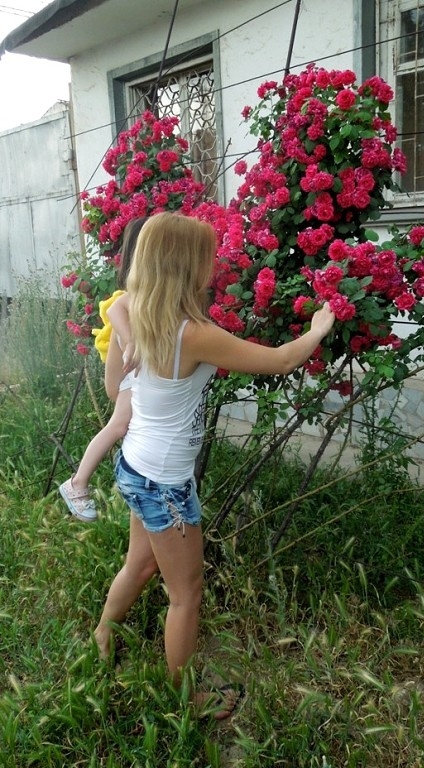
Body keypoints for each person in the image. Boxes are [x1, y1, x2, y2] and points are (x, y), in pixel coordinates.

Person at [93, 212, 335, 719]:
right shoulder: (194, 333)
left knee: (140, 563)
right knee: (186, 595)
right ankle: (186, 698)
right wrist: (318, 329)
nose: (215, 263)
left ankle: (103, 635)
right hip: (165, 482)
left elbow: (117, 391)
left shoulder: (134, 316)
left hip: (135, 464)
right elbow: (281, 360)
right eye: (207, 255)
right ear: (185, 264)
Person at [59, 217, 148, 522]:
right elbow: (114, 311)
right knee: (119, 423)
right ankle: (77, 482)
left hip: (136, 374)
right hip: (129, 374)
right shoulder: (130, 295)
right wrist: (130, 339)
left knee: (125, 426)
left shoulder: (147, 292)